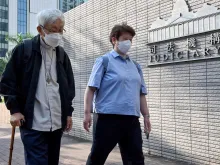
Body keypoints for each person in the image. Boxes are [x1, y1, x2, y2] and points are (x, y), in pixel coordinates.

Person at [0, 9, 75, 165]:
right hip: (33, 123)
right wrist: (15, 110)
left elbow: (68, 88)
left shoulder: (61, 55)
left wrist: (68, 113)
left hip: (56, 124)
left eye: (61, 30)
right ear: (40, 29)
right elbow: (8, 81)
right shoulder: (24, 50)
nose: (58, 34)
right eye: (53, 30)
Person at [83, 23, 151, 165]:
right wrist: (87, 113)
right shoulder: (104, 61)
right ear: (114, 39)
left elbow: (141, 94)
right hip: (107, 119)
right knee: (97, 157)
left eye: (131, 40)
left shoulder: (136, 66)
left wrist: (146, 116)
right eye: (125, 39)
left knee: (136, 160)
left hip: (132, 120)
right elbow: (90, 89)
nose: (129, 43)